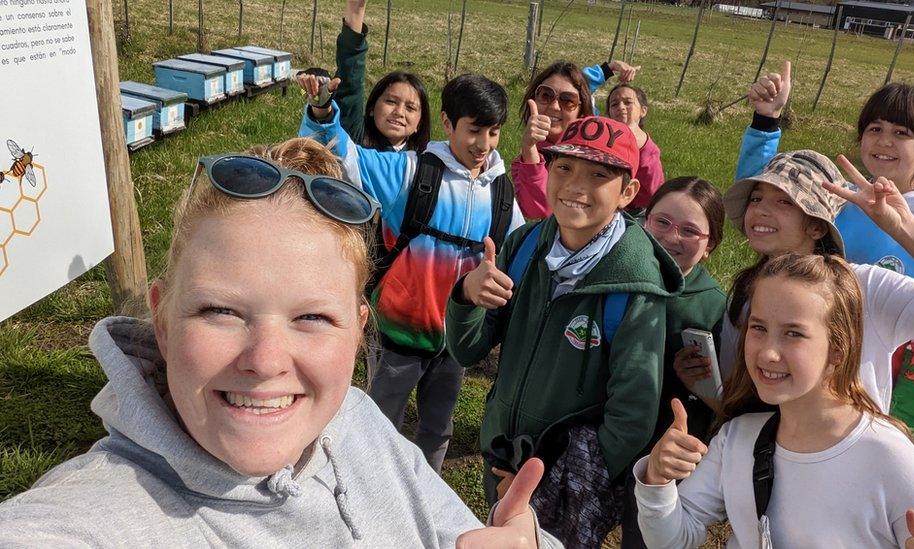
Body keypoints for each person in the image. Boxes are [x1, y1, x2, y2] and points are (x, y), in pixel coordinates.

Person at [0, 138, 560, 548]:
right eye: (220, 311)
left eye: (313, 317)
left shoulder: (358, 420)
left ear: (359, 328)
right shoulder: (91, 520)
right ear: (162, 322)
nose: (265, 361)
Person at [446, 116, 684, 547]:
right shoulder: (523, 247)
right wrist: (466, 295)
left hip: (560, 484)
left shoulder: (634, 286)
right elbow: (467, 350)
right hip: (502, 455)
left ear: (628, 192)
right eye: (563, 168)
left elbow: (632, 414)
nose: (575, 185)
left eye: (599, 175)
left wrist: (558, 479)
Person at [633, 253, 914, 548]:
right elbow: (673, 539)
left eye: (793, 333)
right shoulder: (737, 439)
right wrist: (657, 482)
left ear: (838, 350)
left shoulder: (893, 463)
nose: (767, 352)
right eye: (759, 328)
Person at [296, 72, 523, 473]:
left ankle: (425, 489)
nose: (483, 145)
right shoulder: (410, 172)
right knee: (378, 421)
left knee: (437, 428)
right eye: (474, 130)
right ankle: (362, 485)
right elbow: (339, 155)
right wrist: (322, 112)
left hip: (455, 341)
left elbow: (521, 251)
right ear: (449, 124)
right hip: (398, 335)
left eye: (494, 132)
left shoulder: (501, 193)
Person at [737, 64, 914, 428]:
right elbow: (767, 209)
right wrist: (766, 123)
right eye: (874, 129)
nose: (884, 141)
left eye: (901, 133)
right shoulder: (843, 202)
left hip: (874, 383)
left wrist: (901, 420)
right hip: (797, 368)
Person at [618, 177, 727, 549]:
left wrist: (693, 381)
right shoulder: (620, 275)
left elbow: (725, 398)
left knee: (641, 535)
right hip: (602, 437)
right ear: (644, 220)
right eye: (661, 222)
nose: (671, 237)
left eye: (690, 231)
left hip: (660, 455)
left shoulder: (713, 306)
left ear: (710, 246)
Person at [514, 59, 640, 218]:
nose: (554, 106)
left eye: (568, 101)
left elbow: (546, 211)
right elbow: (535, 212)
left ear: (582, 110)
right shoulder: (529, 154)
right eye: (546, 95)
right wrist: (608, 68)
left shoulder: (596, 149)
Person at [311, 0, 430, 152]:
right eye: (391, 101)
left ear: (419, 123)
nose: (399, 112)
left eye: (410, 108)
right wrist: (356, 9)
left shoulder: (424, 165)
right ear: (372, 108)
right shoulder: (355, 140)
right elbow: (350, 82)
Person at [607, 83, 665, 217]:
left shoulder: (649, 150)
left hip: (640, 212)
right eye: (614, 104)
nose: (621, 107)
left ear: (643, 111)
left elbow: (653, 191)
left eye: (628, 102)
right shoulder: (606, 141)